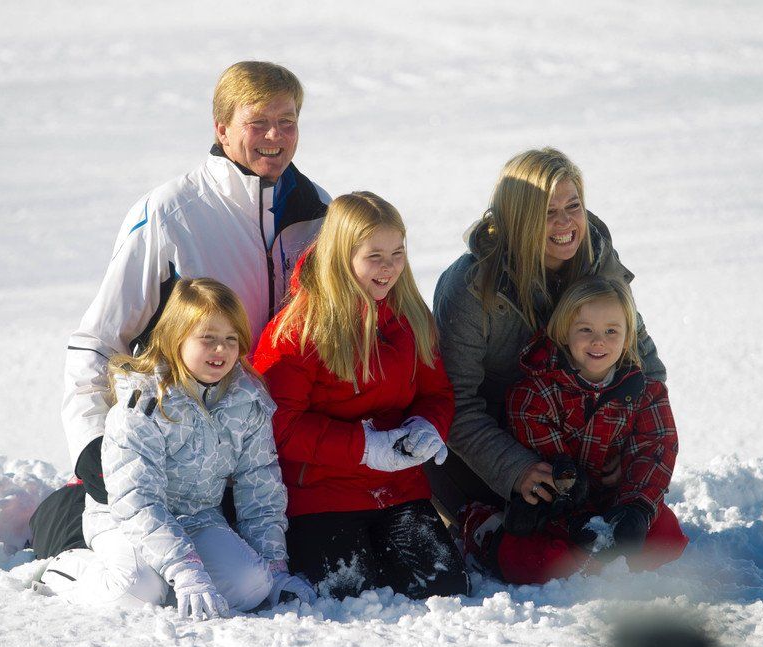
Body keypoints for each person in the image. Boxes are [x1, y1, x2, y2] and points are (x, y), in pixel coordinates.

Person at [30, 61, 329, 558]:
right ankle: (63, 515)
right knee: (136, 564)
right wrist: (93, 449)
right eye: (257, 123)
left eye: (287, 121)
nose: (274, 136)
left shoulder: (319, 212)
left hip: (270, 446)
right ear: (222, 128)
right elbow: (99, 341)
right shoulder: (171, 212)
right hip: (177, 445)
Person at [36, 279, 316, 617]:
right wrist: (184, 569)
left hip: (197, 516)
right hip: (124, 519)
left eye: (231, 339)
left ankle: (169, 577)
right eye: (208, 338)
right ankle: (69, 570)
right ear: (176, 338)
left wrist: (275, 568)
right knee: (136, 591)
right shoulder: (144, 403)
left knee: (252, 586)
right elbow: (136, 500)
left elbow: (260, 488)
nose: (221, 349)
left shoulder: (246, 401)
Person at [427, 147, 666, 543]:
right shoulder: (471, 287)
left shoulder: (598, 261)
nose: (565, 222)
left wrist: (629, 449)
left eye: (573, 206)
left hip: (581, 440)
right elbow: (453, 401)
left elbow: (645, 366)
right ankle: (480, 524)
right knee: (534, 545)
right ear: (517, 217)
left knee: (644, 537)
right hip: (488, 446)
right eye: (547, 212)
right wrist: (514, 467)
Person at [252, 191, 469, 600]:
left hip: (399, 488)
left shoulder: (411, 316)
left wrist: (428, 426)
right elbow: (280, 426)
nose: (389, 267)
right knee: (349, 596)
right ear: (341, 256)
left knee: (445, 588)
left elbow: (437, 391)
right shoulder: (297, 330)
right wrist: (365, 447)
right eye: (375, 256)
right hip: (321, 494)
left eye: (398, 253)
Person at [466, 276, 687, 583]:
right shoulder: (535, 394)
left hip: (614, 500)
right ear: (564, 332)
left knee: (667, 537)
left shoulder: (646, 391)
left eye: (611, 331)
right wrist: (577, 523)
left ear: (628, 337)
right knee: (542, 563)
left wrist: (636, 508)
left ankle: (607, 547)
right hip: (553, 511)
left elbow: (656, 450)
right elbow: (553, 475)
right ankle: (485, 529)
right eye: (586, 330)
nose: (599, 341)